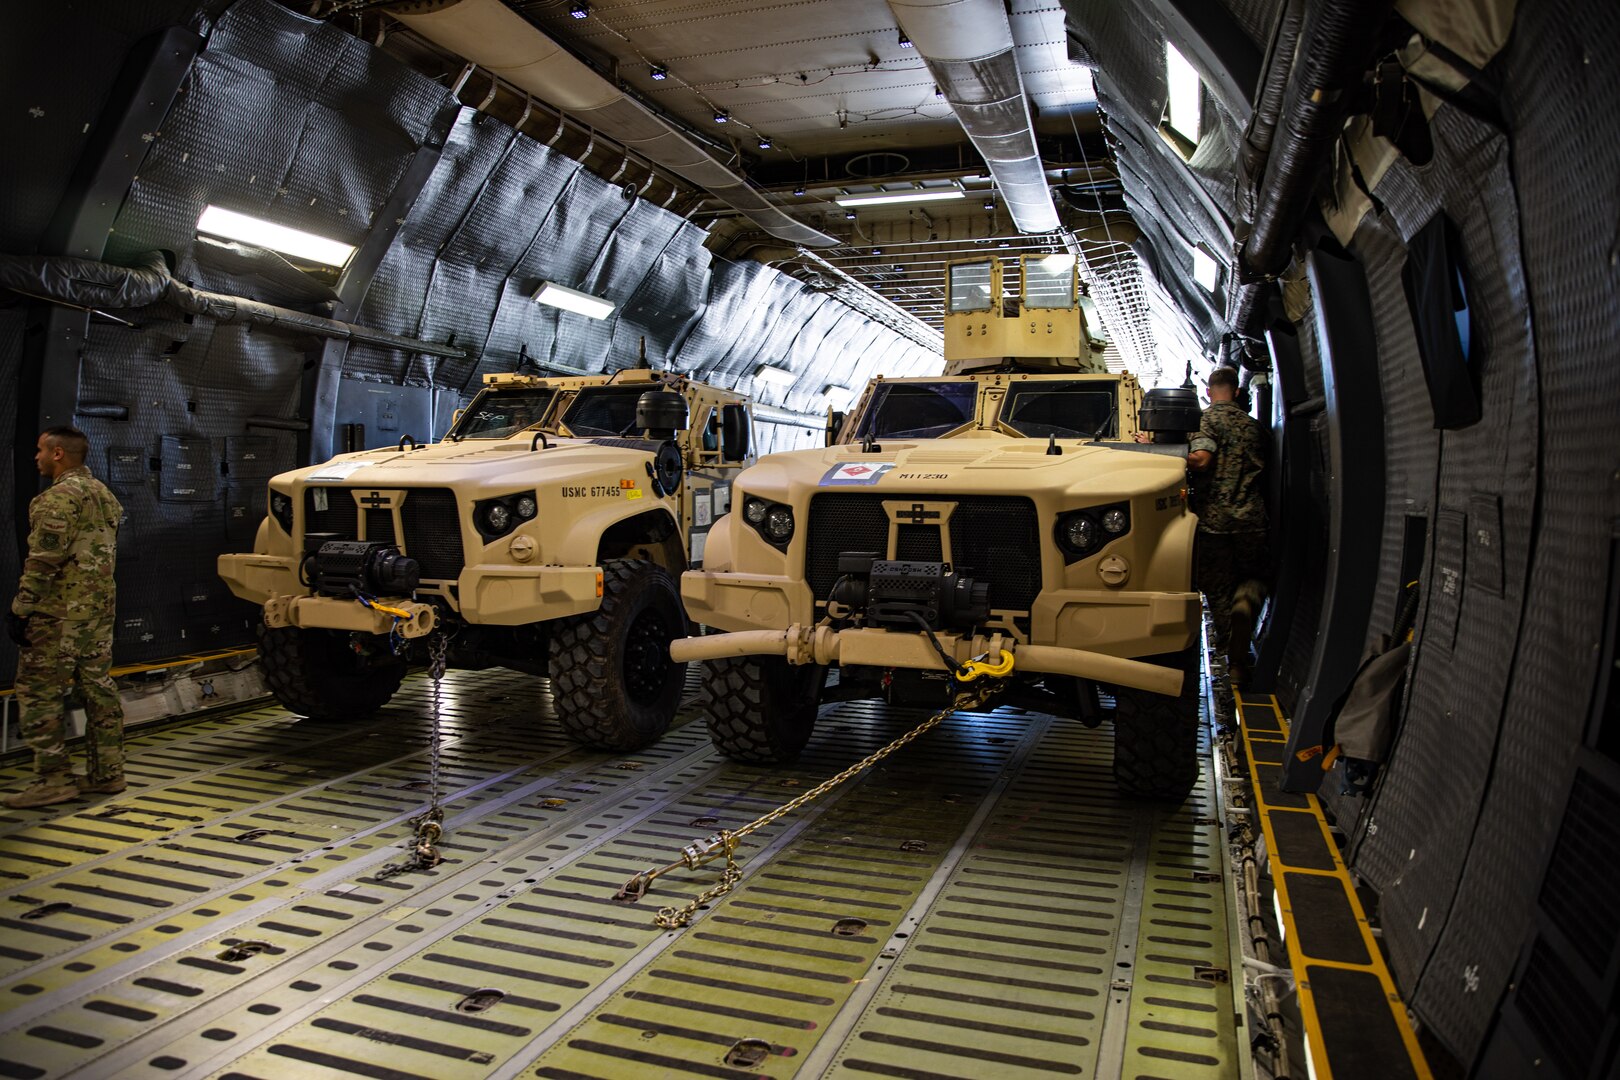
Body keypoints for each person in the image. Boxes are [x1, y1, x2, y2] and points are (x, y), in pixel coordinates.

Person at [5, 427, 126, 808]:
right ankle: (108, 774)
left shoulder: (56, 499)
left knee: (39, 693)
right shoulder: (106, 496)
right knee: (97, 688)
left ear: (58, 454)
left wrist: (22, 609)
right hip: (98, 612)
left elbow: (43, 561)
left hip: (58, 615)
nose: (36, 457)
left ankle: (54, 779)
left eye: (40, 450)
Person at [1187, 367, 1268, 685]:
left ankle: (1235, 664)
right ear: (1236, 392)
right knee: (1256, 576)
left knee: (1218, 589)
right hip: (1252, 520)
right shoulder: (1255, 427)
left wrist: (1169, 453)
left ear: (1209, 392)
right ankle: (1246, 602)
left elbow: (1202, 459)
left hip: (1214, 522)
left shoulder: (1206, 420)